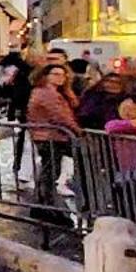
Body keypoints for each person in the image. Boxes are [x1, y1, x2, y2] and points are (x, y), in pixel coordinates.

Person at [25, 63, 80, 210]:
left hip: (50, 135)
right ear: (46, 76)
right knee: (50, 171)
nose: (60, 78)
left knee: (50, 169)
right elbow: (59, 116)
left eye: (63, 75)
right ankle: (45, 204)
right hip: (50, 136)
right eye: (55, 74)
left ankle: (43, 203)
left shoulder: (50, 92)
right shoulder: (47, 93)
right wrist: (77, 130)